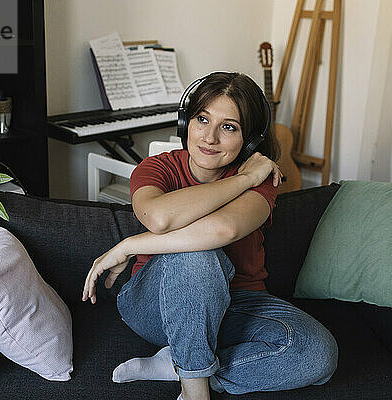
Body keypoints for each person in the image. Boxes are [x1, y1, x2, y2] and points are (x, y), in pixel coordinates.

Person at [82, 72, 338, 400]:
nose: (209, 137)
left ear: (250, 141)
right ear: (185, 122)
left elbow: (223, 229)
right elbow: (159, 218)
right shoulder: (155, 168)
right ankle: (195, 391)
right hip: (155, 304)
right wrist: (243, 179)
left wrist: (130, 245)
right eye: (202, 119)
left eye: (228, 127)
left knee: (318, 355)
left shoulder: (264, 178)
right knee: (197, 255)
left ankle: (178, 362)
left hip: (237, 303)